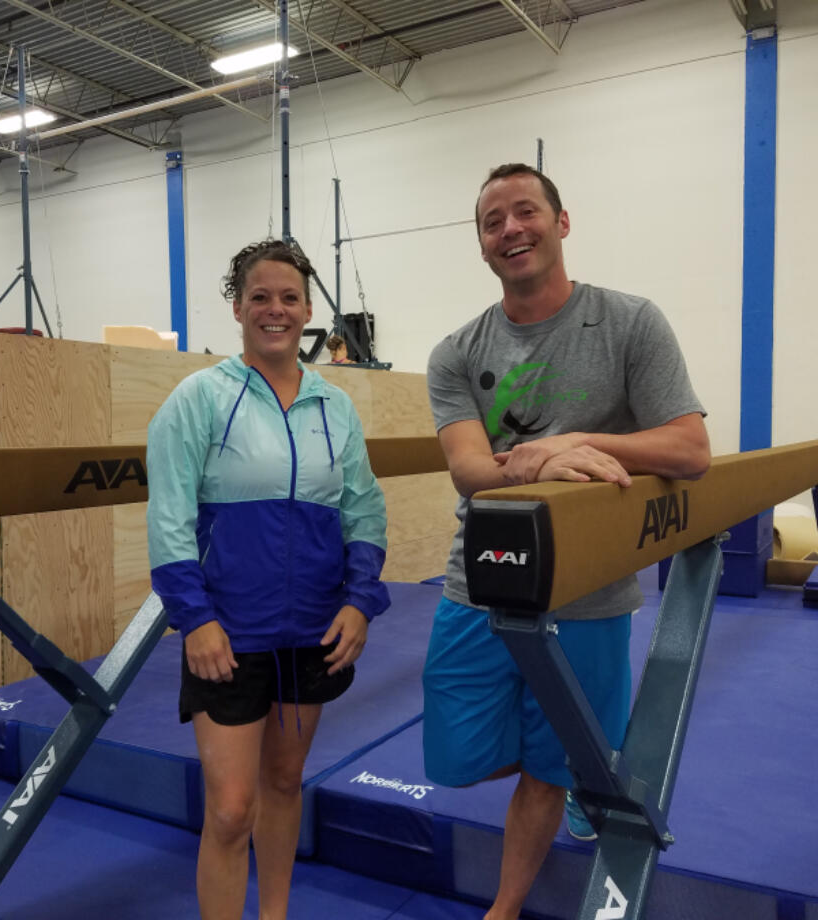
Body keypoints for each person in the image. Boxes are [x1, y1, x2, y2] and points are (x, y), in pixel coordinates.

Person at [424, 163, 710, 920]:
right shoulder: (456, 351)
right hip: (479, 579)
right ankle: (585, 767)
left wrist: (575, 438)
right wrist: (544, 457)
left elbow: (691, 450)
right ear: (482, 245)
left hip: (590, 588)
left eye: (526, 212)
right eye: (494, 221)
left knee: (552, 768)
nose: (511, 229)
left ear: (562, 221)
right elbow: (469, 473)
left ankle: (506, 905)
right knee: (457, 757)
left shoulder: (629, 321)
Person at [146, 239, 391, 920]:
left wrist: (360, 603)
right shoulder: (196, 400)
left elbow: (364, 508)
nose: (275, 310)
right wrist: (193, 617)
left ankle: (275, 914)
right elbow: (168, 519)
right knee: (229, 810)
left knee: (284, 781)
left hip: (312, 627)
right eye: (261, 297)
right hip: (229, 633)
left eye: (289, 298)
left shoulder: (333, 407)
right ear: (237, 307)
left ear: (309, 309)